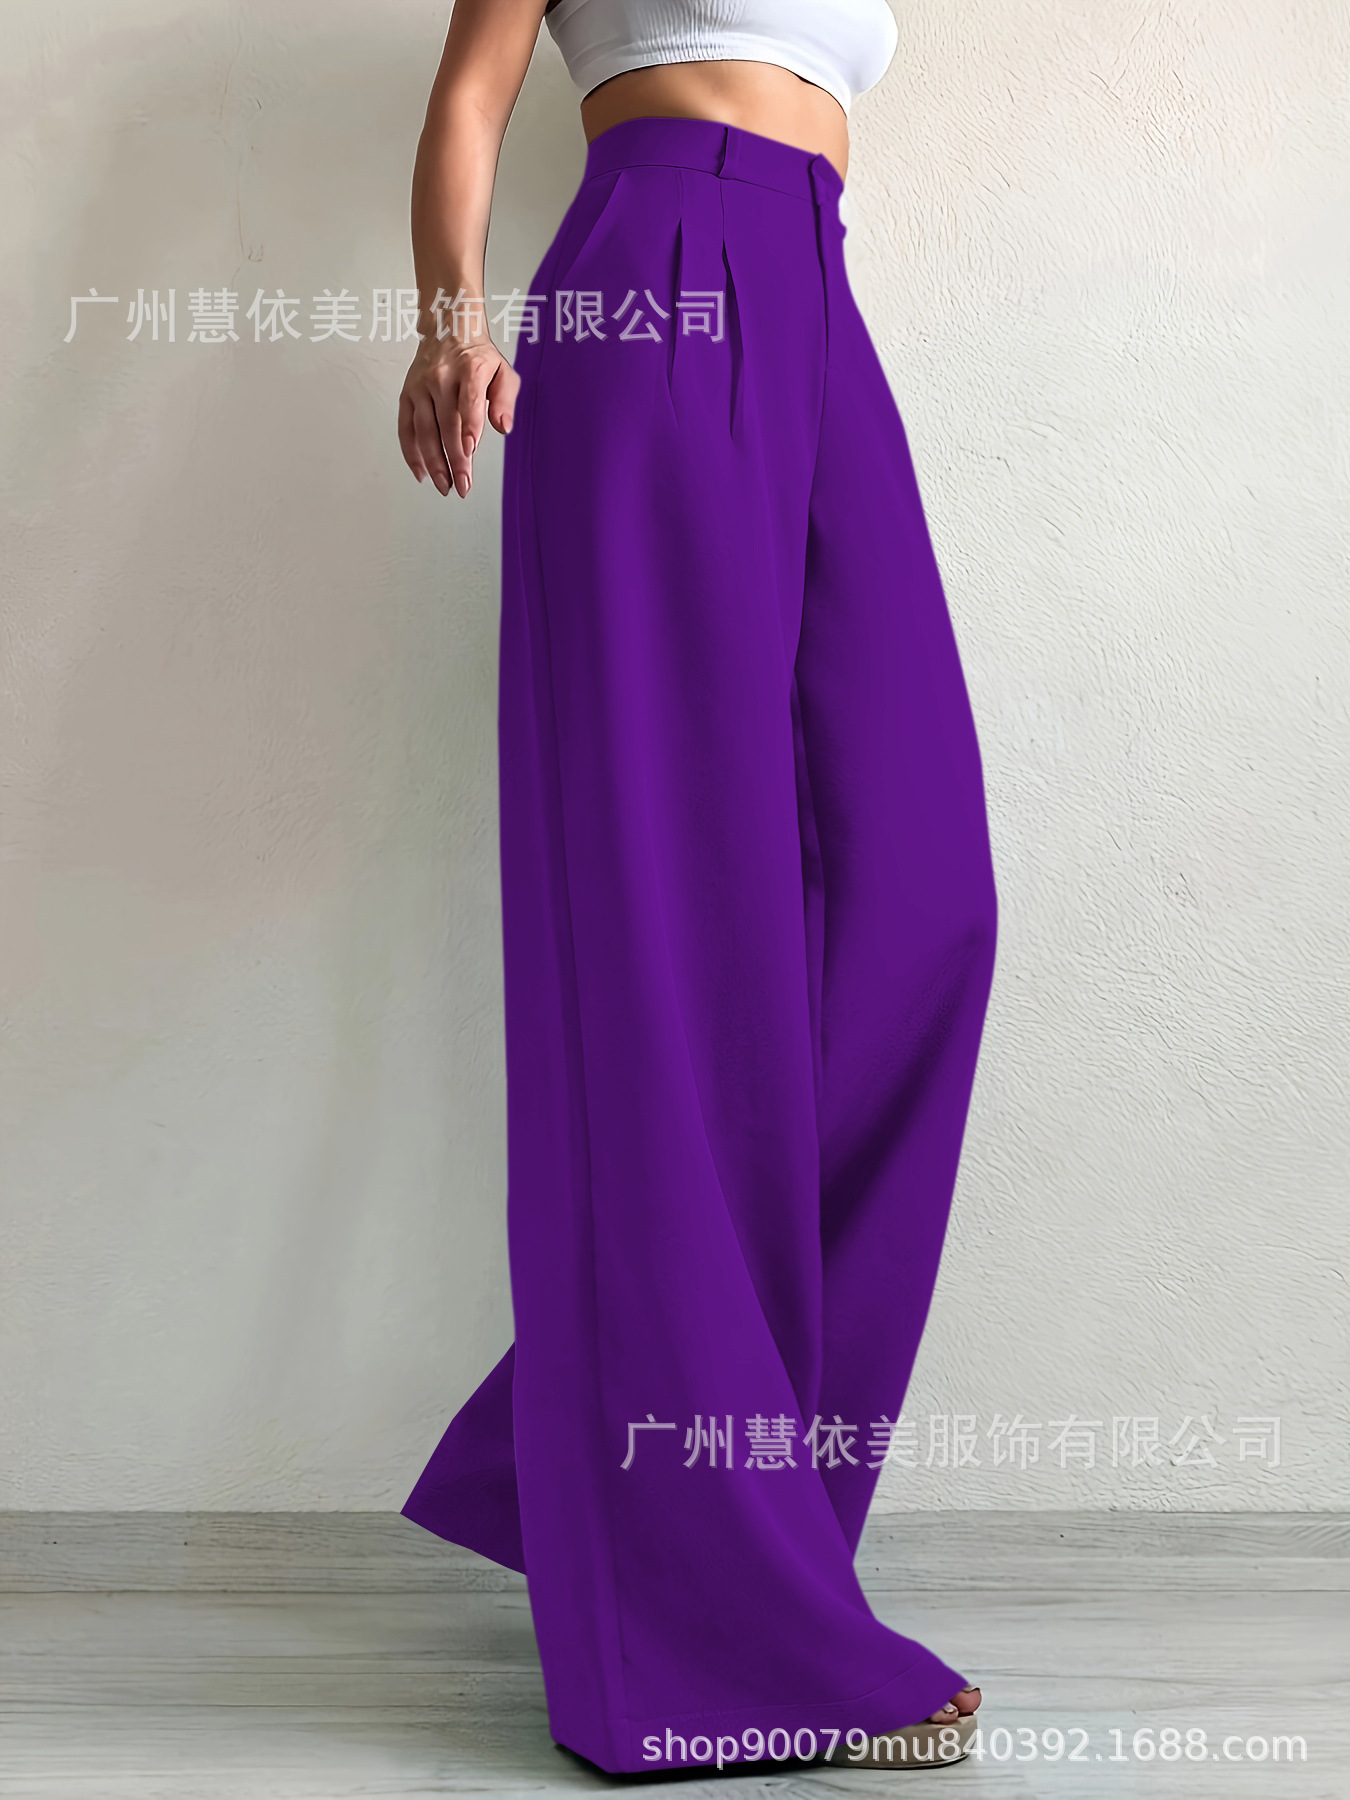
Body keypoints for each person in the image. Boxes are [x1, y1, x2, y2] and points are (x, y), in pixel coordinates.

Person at [397, 0, 997, 1775]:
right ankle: (710, 1623)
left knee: (924, 899)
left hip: (815, 299)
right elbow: (470, 92)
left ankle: (619, 1459)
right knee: (669, 934)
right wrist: (448, 321)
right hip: (652, 274)